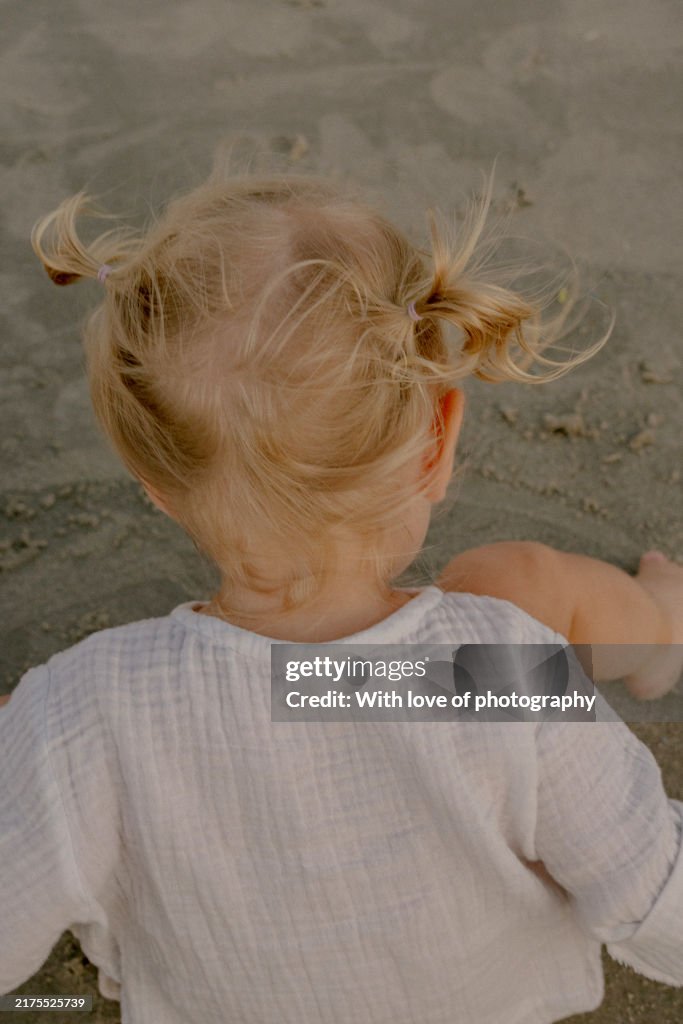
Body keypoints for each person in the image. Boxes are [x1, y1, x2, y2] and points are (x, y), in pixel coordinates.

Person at [0, 170, 681, 1023]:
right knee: (517, 583)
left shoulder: (85, 711)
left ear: (156, 484)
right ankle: (659, 632)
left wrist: (34, 737)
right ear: (435, 438)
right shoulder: (505, 673)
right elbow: (661, 903)